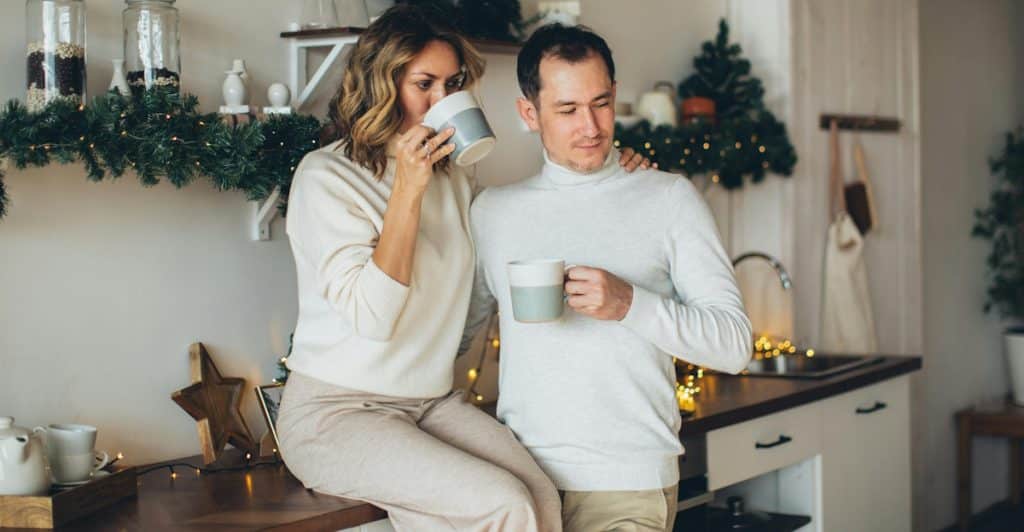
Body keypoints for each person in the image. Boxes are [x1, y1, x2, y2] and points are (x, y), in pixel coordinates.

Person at [276, 6, 649, 531]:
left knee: (540, 495)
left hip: (428, 402)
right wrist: (407, 188)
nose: (441, 101)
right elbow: (375, 317)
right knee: (503, 503)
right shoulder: (327, 176)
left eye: (452, 84)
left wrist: (616, 167)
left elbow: (519, 231)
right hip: (336, 414)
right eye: (423, 83)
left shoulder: (454, 181)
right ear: (383, 84)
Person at [463, 24, 754, 532]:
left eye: (600, 103)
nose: (591, 126)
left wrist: (629, 304)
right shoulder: (493, 212)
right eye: (568, 109)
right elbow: (459, 338)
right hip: (519, 485)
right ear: (529, 114)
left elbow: (734, 345)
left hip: (628, 483)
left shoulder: (667, 198)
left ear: (615, 95)